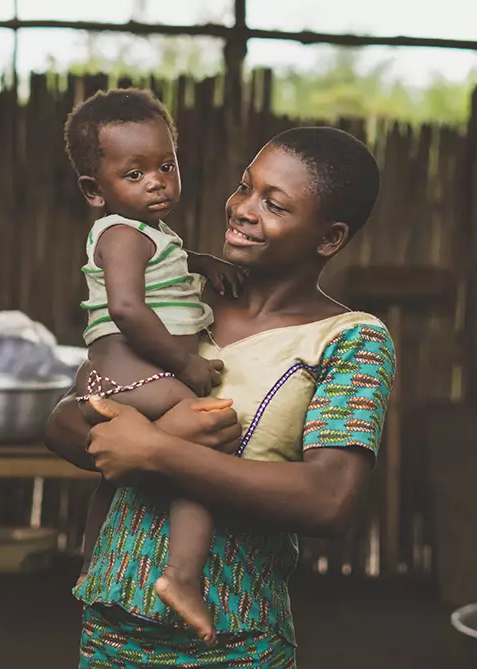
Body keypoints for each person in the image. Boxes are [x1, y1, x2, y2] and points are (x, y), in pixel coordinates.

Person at [45, 125, 396, 668]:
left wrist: (158, 451)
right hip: (111, 627)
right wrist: (146, 439)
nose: (243, 209)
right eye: (244, 187)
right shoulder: (175, 294)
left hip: (237, 639)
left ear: (329, 238)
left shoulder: (351, 340)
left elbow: (329, 500)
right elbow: (66, 419)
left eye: (274, 205)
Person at [63, 88, 246, 643]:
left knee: (117, 480)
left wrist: (202, 262)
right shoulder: (121, 235)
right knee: (202, 446)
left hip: (120, 379)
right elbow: (126, 307)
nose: (157, 181)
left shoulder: (150, 236)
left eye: (166, 165)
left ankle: (94, 564)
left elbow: (162, 264)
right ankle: (184, 578)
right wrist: (183, 365)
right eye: (135, 173)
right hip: (138, 377)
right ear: (95, 190)